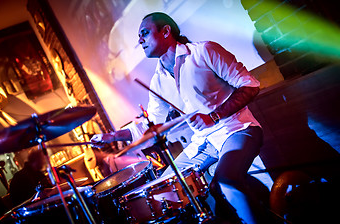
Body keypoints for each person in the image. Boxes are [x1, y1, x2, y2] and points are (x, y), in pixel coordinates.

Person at [91, 12, 270, 223]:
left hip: (237, 129)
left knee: (224, 183)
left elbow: (250, 85)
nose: (139, 40)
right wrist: (113, 136)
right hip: (202, 142)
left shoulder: (204, 51)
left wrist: (213, 116)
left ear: (166, 31)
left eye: (145, 33)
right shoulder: (157, 81)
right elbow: (148, 127)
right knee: (162, 191)